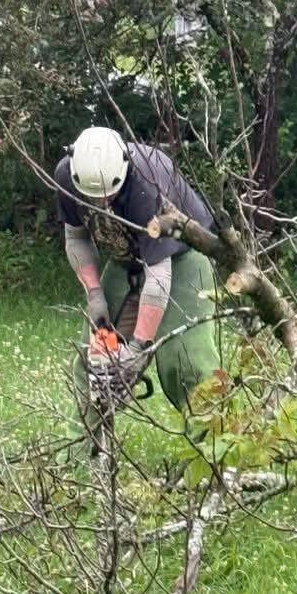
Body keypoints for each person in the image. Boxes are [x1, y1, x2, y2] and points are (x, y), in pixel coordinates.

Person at [54, 126, 220, 451]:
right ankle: (79, 464)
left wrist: (138, 347)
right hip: (125, 261)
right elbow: (75, 238)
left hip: (183, 257)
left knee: (183, 360)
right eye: (92, 196)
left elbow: (158, 272)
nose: (100, 202)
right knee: (95, 361)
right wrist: (95, 294)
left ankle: (218, 458)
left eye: (108, 195)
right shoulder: (66, 175)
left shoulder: (147, 180)